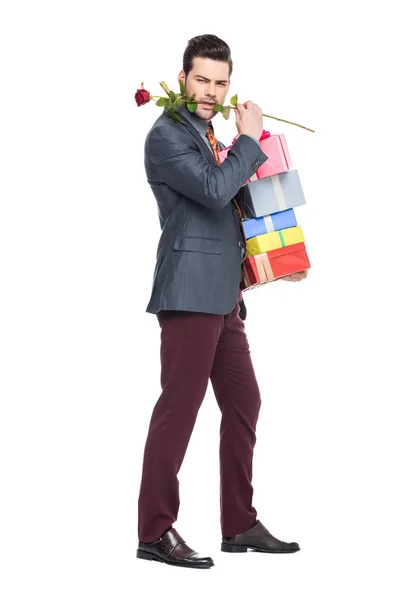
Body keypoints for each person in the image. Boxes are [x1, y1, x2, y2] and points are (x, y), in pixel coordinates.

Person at [136, 34, 307, 569]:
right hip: (189, 293)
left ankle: (238, 523)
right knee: (178, 412)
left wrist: (279, 258)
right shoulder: (166, 137)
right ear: (183, 78)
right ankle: (154, 531)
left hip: (223, 295)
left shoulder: (211, 136)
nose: (212, 91)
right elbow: (213, 189)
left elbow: (233, 205)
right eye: (202, 79)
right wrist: (249, 140)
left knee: (244, 403)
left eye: (221, 82)